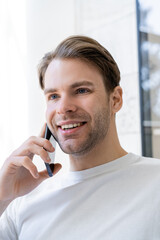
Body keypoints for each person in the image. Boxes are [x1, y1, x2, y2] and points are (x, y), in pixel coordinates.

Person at [0, 35, 160, 240]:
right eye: (54, 96)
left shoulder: (155, 184)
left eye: (81, 90)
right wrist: (3, 197)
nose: (63, 108)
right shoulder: (22, 202)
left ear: (116, 99)